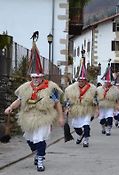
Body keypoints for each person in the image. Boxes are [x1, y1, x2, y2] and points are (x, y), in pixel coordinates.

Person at [4, 35, 64, 172]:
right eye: (33, 77)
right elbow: (19, 100)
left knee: (39, 138)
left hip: (43, 117)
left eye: (38, 77)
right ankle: (37, 153)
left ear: (42, 76)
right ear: (31, 77)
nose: (36, 79)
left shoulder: (51, 88)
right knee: (30, 139)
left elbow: (57, 103)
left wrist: (60, 117)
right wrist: (10, 107)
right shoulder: (25, 87)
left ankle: (41, 160)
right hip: (28, 117)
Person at [64, 50, 98, 147]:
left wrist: (96, 110)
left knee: (86, 125)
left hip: (87, 109)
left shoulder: (92, 89)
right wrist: (67, 109)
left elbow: (96, 100)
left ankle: (86, 140)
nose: (81, 82)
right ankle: (81, 135)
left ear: (86, 80)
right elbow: (68, 100)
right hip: (76, 110)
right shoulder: (71, 89)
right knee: (76, 127)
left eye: (83, 80)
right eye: (80, 80)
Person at [96, 63, 119, 136]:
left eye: (109, 82)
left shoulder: (114, 89)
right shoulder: (99, 89)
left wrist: (118, 105)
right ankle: (103, 127)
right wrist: (96, 108)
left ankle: (108, 130)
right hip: (101, 107)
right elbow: (95, 99)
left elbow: (117, 98)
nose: (107, 83)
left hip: (110, 106)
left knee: (110, 119)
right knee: (102, 120)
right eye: (106, 81)